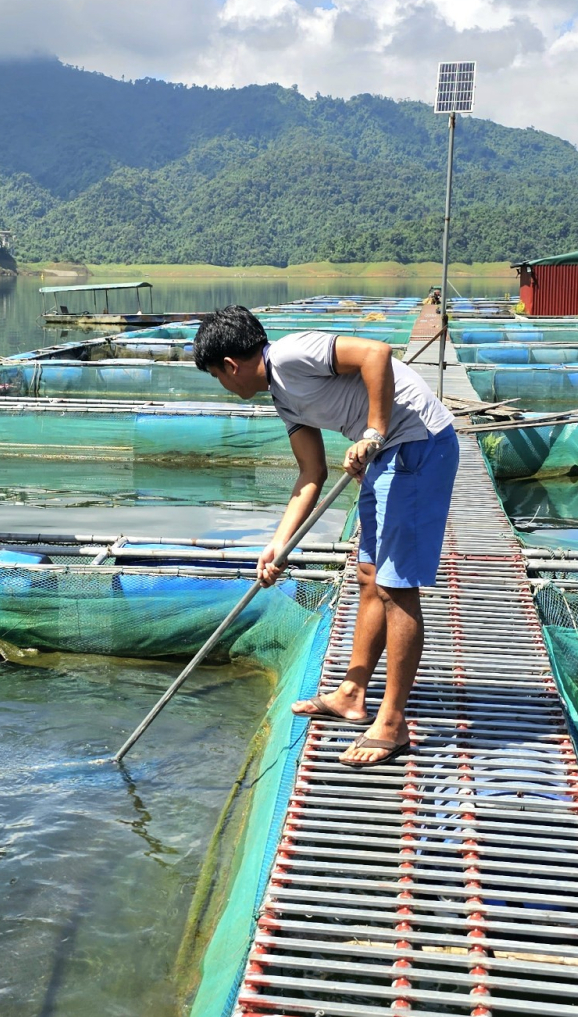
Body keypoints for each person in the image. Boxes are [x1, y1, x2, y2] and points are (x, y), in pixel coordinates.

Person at [194, 304, 457, 768]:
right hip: (386, 454)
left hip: (416, 443)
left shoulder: (292, 354)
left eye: (218, 376)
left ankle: (393, 723)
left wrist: (373, 431)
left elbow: (376, 352)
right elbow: (310, 472)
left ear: (230, 366)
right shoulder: (282, 397)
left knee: (397, 587)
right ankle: (352, 695)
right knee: (368, 575)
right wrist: (279, 543)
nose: (225, 386)